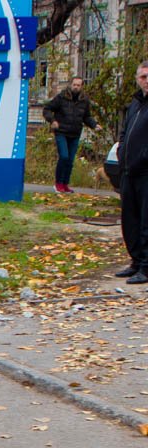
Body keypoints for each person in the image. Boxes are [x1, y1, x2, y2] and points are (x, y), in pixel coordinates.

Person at [116, 61, 148, 285]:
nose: (146, 80)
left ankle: (146, 267)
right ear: (137, 79)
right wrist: (121, 149)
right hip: (128, 171)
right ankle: (136, 261)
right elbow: (125, 130)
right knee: (129, 219)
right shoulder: (135, 104)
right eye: (143, 76)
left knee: (146, 221)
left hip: (146, 171)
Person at [43, 76, 101, 193]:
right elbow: (47, 109)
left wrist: (94, 125)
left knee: (70, 160)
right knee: (64, 156)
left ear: (81, 87)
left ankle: (65, 184)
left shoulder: (84, 100)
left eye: (78, 85)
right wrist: (53, 121)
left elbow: (86, 117)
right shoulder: (62, 97)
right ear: (70, 85)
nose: (76, 87)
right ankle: (58, 183)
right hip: (61, 132)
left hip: (75, 133)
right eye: (74, 84)